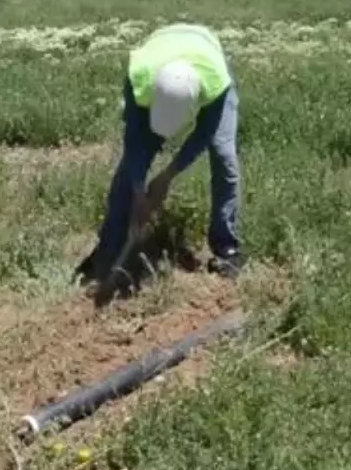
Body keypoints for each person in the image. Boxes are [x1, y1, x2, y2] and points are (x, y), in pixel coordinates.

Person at [76, 22, 244, 285]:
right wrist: (138, 190)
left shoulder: (215, 83)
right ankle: (109, 248)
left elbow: (203, 136)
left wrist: (166, 176)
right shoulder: (140, 81)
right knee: (130, 168)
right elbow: (135, 145)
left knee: (225, 159)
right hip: (160, 48)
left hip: (206, 47)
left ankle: (227, 248)